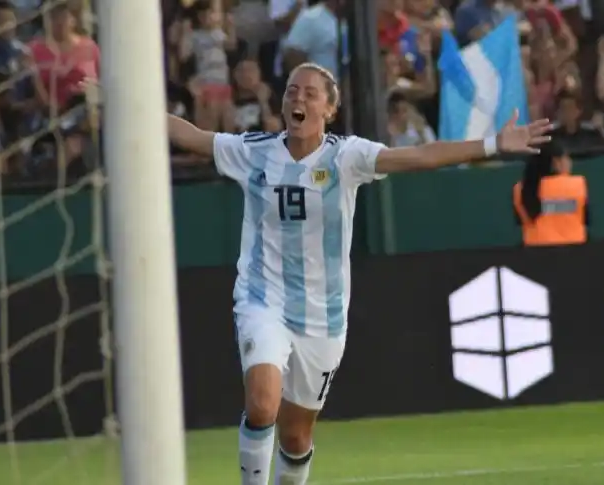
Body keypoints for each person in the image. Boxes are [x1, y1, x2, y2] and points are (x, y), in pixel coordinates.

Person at [165, 62, 552, 485]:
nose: (298, 98)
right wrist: (123, 100)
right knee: (262, 404)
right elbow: (192, 136)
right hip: (263, 299)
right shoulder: (254, 151)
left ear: (330, 109)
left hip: (322, 315)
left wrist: (494, 144)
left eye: (310, 93)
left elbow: (420, 155)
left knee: (296, 437)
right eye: (292, 90)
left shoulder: (346, 157)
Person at [513, 140, 589, 246]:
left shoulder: (520, 189)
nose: (570, 162)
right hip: (574, 253)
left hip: (535, 254)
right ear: (556, 162)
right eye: (567, 157)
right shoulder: (577, 185)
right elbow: (586, 219)